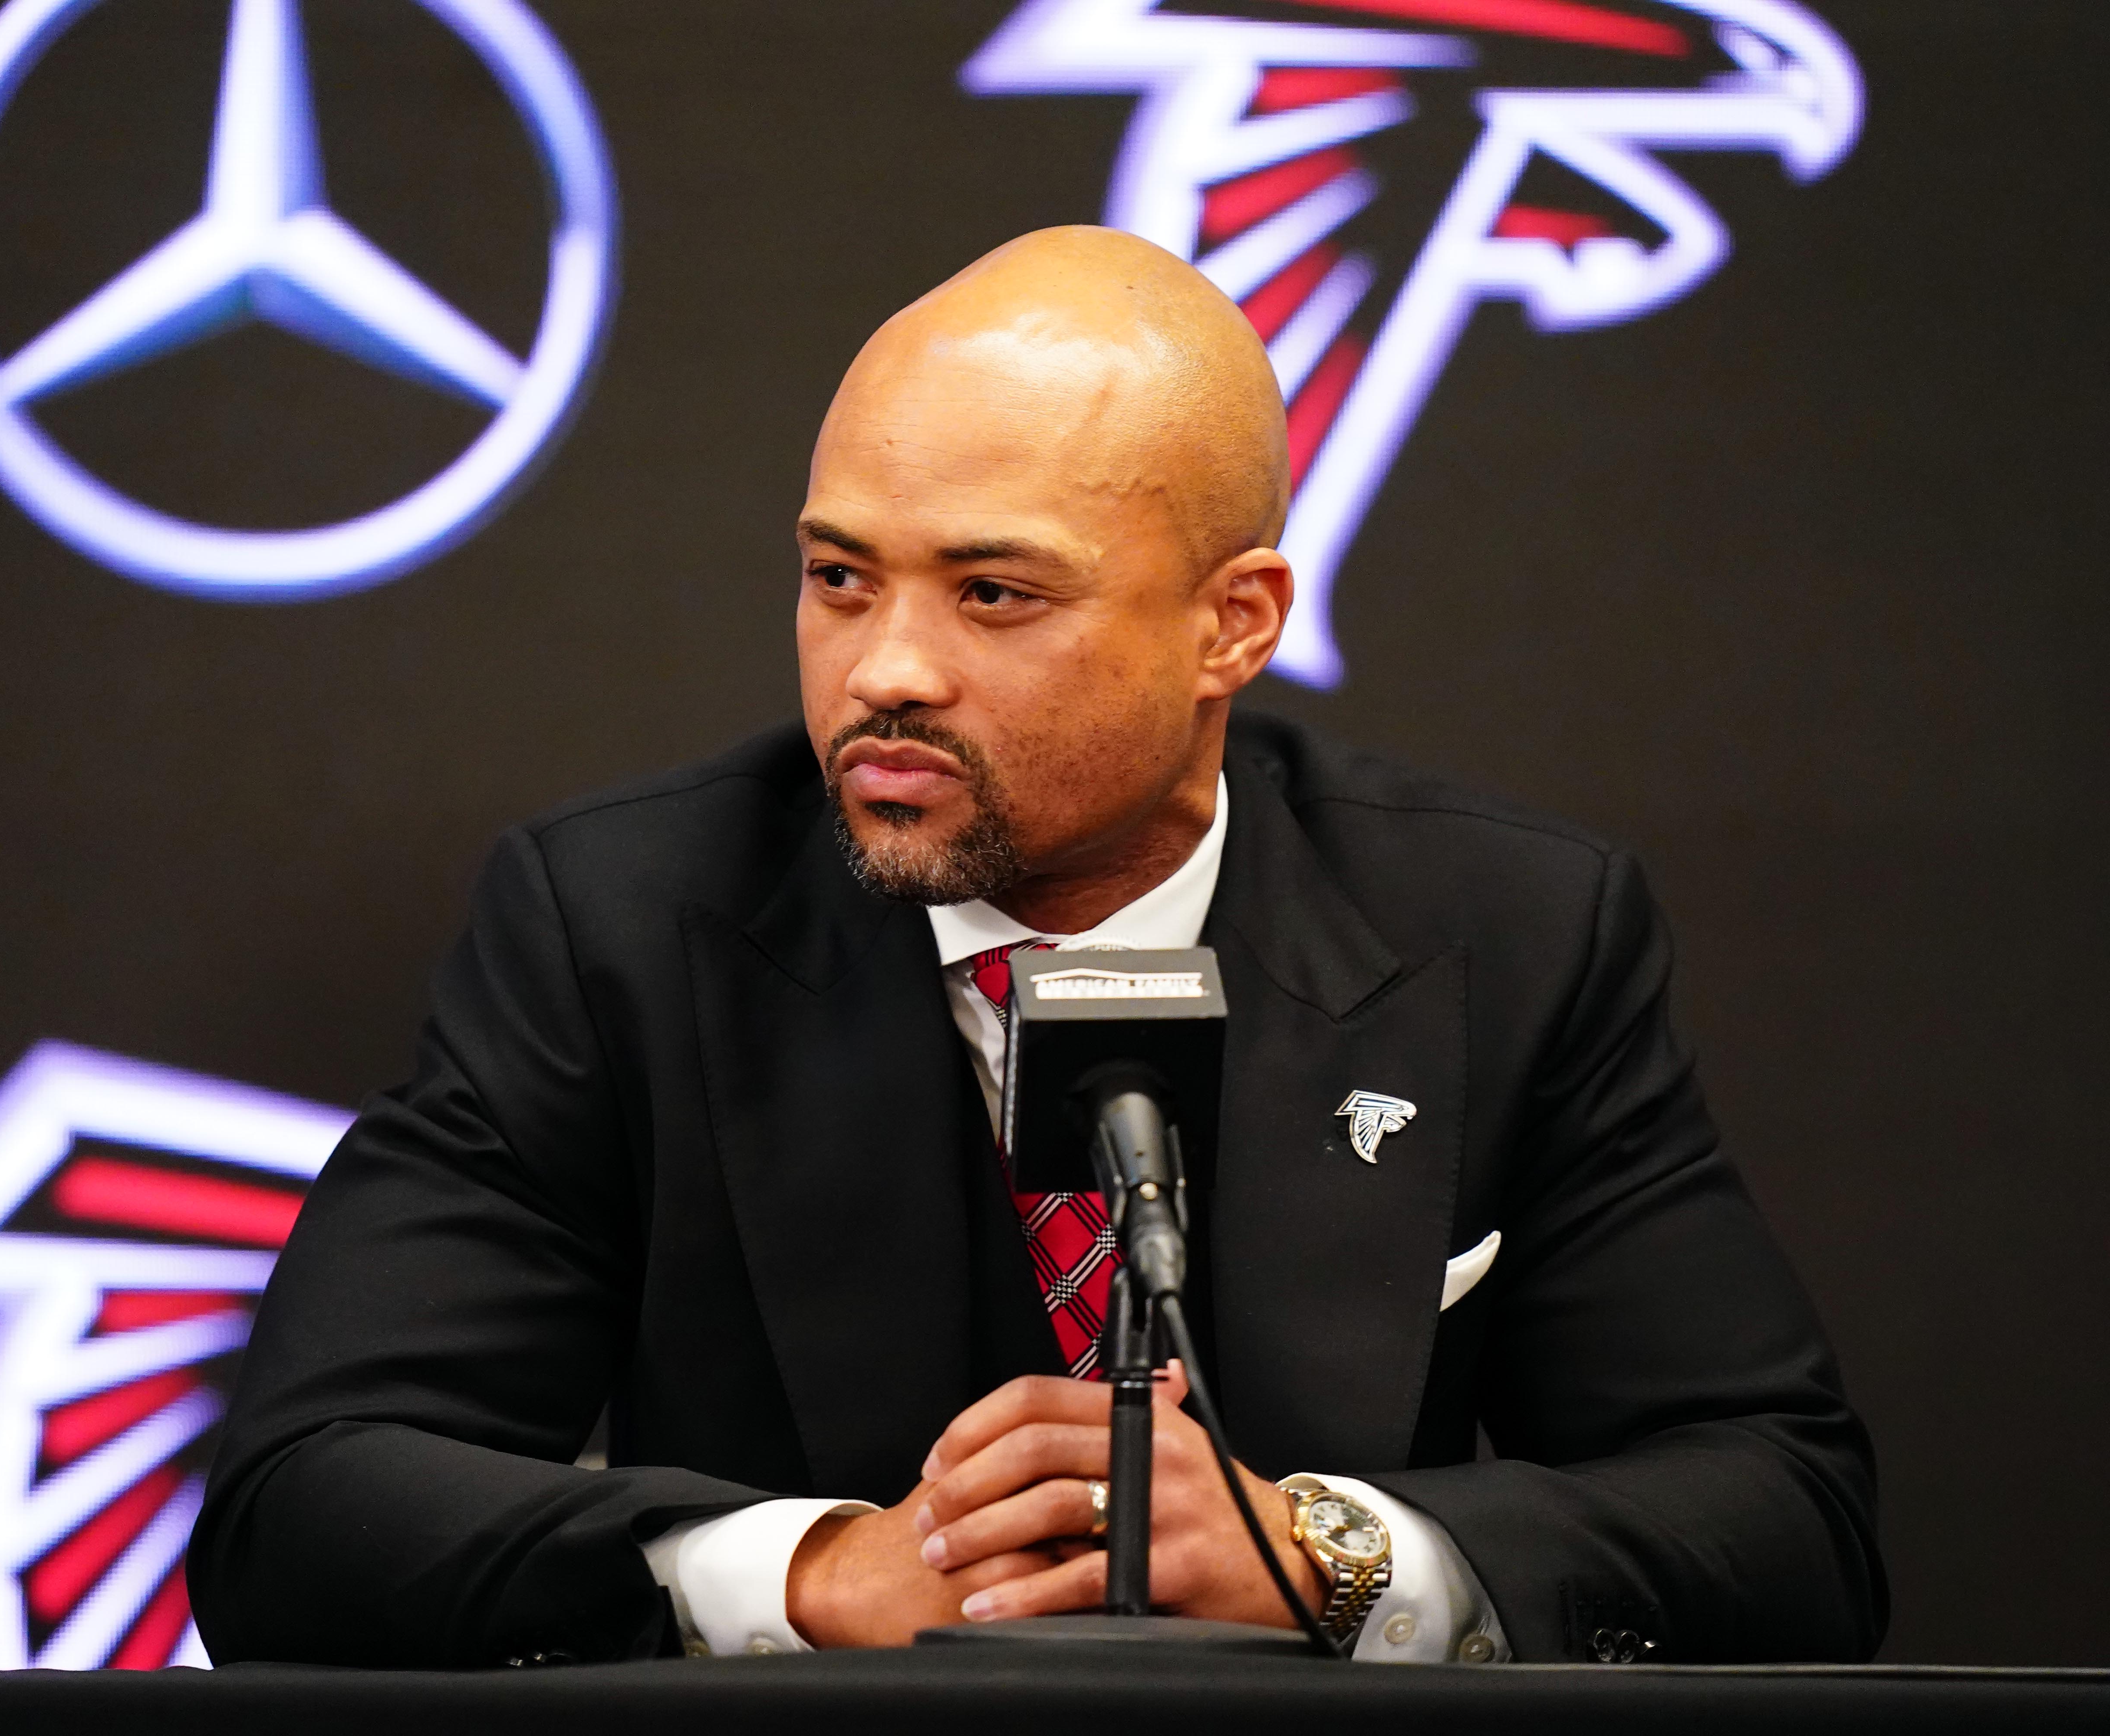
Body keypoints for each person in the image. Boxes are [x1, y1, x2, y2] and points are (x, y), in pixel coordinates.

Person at [187, 227, 1883, 1667]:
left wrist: (1337, 1555)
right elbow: (303, 1503)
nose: (883, 670)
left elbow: (1788, 1514)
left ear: (1237, 624)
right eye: (839, 576)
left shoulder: (1508, 933)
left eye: (994, 593)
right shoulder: (615, 926)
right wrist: (810, 1568)